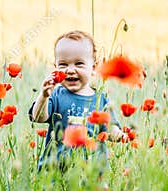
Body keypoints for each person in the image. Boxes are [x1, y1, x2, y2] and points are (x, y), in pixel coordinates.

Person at [28, 30, 122, 172]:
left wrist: (119, 135)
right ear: (55, 67)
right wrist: (43, 96)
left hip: (90, 174)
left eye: (79, 64)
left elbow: (110, 129)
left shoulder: (100, 100)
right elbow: (38, 117)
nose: (70, 70)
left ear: (94, 68)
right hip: (55, 172)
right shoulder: (56, 95)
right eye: (63, 65)